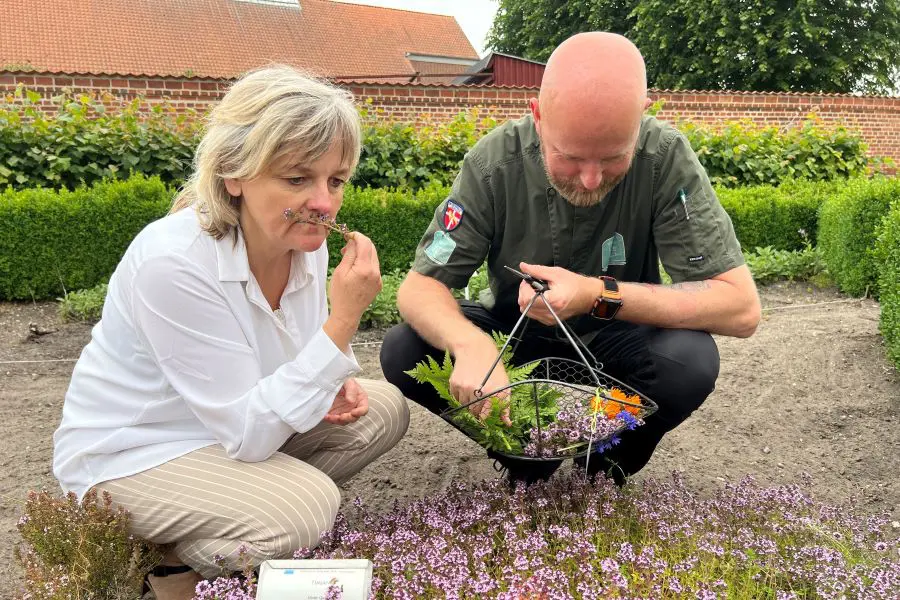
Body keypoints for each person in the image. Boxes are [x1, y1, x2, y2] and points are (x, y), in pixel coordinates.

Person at [52, 65, 410, 600]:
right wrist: (343, 323)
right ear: (233, 174)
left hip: (225, 426)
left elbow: (287, 364)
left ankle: (221, 518)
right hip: (134, 453)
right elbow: (249, 431)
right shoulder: (173, 262)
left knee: (385, 408)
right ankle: (168, 563)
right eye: (298, 178)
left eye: (335, 180)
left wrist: (333, 380)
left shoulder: (303, 247)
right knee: (304, 508)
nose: (324, 201)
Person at [379, 32, 760, 487]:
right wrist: (470, 345)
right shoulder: (492, 164)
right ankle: (523, 454)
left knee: (691, 360)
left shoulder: (665, 159)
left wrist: (596, 296)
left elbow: (740, 308)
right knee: (404, 348)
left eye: (615, 157)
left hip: (618, 344)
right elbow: (420, 287)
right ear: (538, 117)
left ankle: (601, 465)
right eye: (570, 157)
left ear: (642, 116)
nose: (591, 178)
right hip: (514, 340)